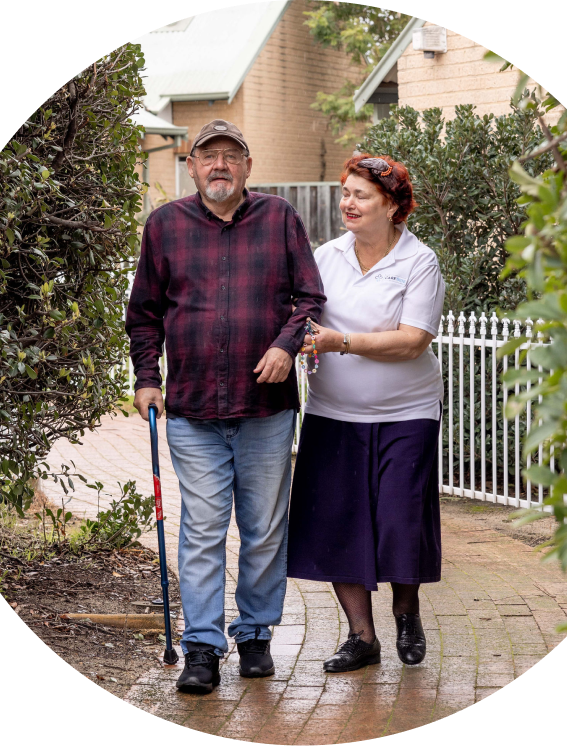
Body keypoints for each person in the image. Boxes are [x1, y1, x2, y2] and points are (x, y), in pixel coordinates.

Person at [126, 119, 325, 693]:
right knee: (204, 530)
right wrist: (146, 379)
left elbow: (310, 298)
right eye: (207, 156)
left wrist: (287, 346)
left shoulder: (280, 218)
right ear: (190, 167)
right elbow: (144, 315)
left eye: (230, 156)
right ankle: (203, 648)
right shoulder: (164, 226)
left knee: (263, 528)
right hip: (191, 411)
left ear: (247, 167)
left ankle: (256, 634)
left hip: (266, 411)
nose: (219, 165)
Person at [287, 154, 446, 672]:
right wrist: (306, 339)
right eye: (346, 192)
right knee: (337, 522)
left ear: (394, 207)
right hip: (334, 413)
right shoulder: (326, 256)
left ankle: (406, 609)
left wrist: (340, 342)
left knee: (400, 518)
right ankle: (362, 638)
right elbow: (304, 313)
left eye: (362, 195)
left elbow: (413, 341)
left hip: (408, 413)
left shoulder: (418, 261)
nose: (348, 203)